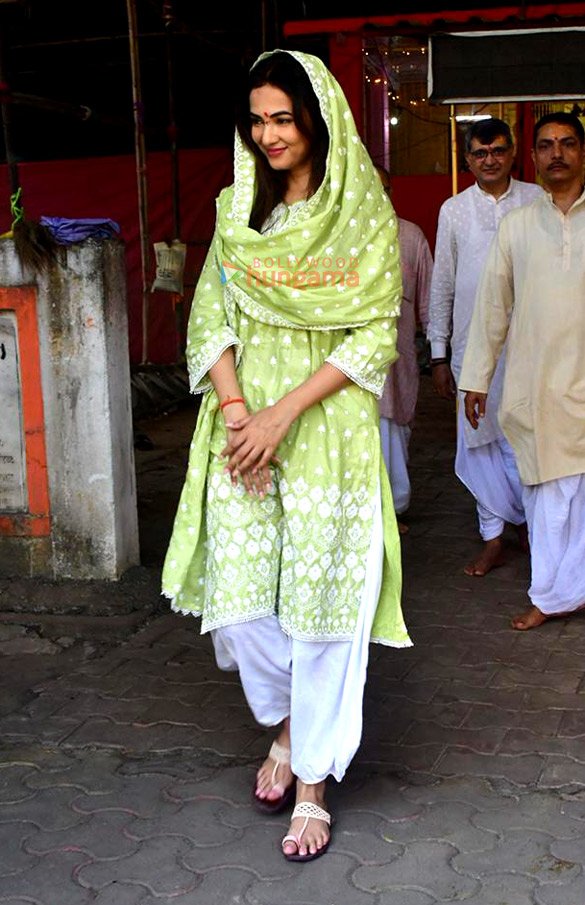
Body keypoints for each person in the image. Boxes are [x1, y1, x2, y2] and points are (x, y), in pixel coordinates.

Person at [162, 49, 411, 862]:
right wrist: (239, 412)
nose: (269, 134)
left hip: (324, 429)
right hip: (241, 436)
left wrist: (282, 414)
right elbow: (210, 318)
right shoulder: (240, 212)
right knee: (238, 617)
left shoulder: (360, 215)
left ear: (317, 117)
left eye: (283, 117)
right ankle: (293, 724)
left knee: (321, 607)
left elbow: (374, 332)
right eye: (257, 119)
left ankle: (311, 782)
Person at [460, 111, 585, 630]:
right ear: (532, 157)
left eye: (568, 143)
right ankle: (553, 593)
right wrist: (474, 377)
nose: (557, 152)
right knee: (546, 495)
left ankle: (566, 591)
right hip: (536, 382)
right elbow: (492, 307)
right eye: (547, 145)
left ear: (582, 152)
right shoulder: (517, 226)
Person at [428, 119, 542, 576]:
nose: (490, 159)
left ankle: (531, 529)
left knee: (525, 441)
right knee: (478, 444)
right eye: (480, 152)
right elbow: (443, 284)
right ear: (468, 159)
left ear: (513, 153)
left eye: (497, 150)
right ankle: (492, 537)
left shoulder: (536, 200)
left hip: (531, 347)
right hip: (471, 351)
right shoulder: (453, 210)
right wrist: (438, 354)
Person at [376, 166, 432, 532]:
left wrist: (440, 355)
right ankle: (371, 514)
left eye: (384, 189)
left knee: (394, 429)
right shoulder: (340, 237)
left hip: (399, 363)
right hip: (350, 366)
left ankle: (392, 511)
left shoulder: (410, 237)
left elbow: (428, 303)